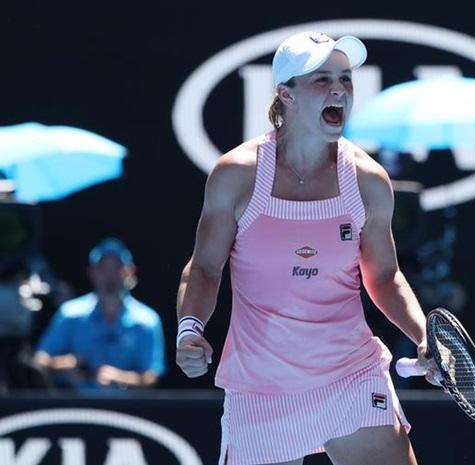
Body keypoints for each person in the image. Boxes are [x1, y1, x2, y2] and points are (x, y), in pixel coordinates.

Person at [176, 31, 445, 465]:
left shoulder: (368, 181)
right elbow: (205, 268)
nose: (339, 90)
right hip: (260, 387)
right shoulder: (236, 175)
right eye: (321, 80)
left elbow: (384, 276)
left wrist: (422, 336)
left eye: (345, 79)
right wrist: (190, 328)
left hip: (350, 375)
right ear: (287, 94)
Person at [34, 238, 166, 391]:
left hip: (126, 412)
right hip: (77, 410)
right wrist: (64, 364)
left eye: (117, 267)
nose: (110, 275)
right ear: (92, 272)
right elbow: (39, 359)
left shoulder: (147, 321)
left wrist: (118, 377)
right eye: (103, 268)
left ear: (130, 271)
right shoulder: (70, 313)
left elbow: (152, 377)